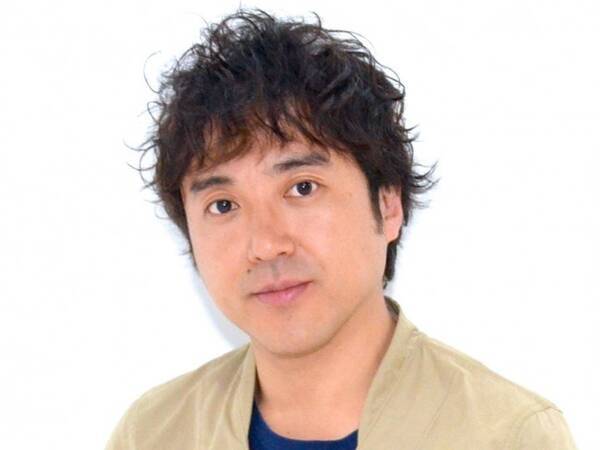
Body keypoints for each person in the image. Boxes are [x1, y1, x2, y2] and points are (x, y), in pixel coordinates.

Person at [106, 7, 578, 450]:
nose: (266, 244)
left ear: (388, 205)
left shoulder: (506, 434)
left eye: (302, 188)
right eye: (223, 205)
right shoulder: (153, 433)